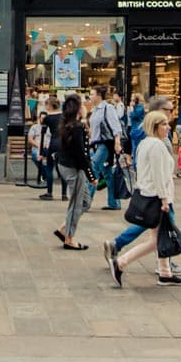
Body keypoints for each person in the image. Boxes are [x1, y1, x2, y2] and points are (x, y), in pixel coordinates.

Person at [105, 110, 181, 287]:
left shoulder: (144, 144)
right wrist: (164, 199)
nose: (167, 127)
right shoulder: (156, 145)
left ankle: (165, 273)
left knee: (159, 236)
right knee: (157, 240)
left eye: (166, 123)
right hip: (157, 197)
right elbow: (158, 174)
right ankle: (121, 263)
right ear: (154, 126)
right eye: (163, 124)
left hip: (150, 194)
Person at [52, 93, 94, 251]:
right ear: (78, 109)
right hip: (74, 168)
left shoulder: (66, 124)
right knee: (76, 204)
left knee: (85, 202)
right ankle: (69, 238)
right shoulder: (77, 127)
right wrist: (91, 176)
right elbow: (81, 154)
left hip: (66, 165)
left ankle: (65, 228)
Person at [88, 86, 126, 210]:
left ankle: (86, 201)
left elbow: (116, 127)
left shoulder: (108, 108)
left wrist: (117, 142)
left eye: (92, 94)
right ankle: (114, 203)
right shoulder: (95, 110)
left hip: (106, 143)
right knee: (107, 173)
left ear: (99, 95)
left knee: (93, 167)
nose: (90, 96)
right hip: (96, 144)